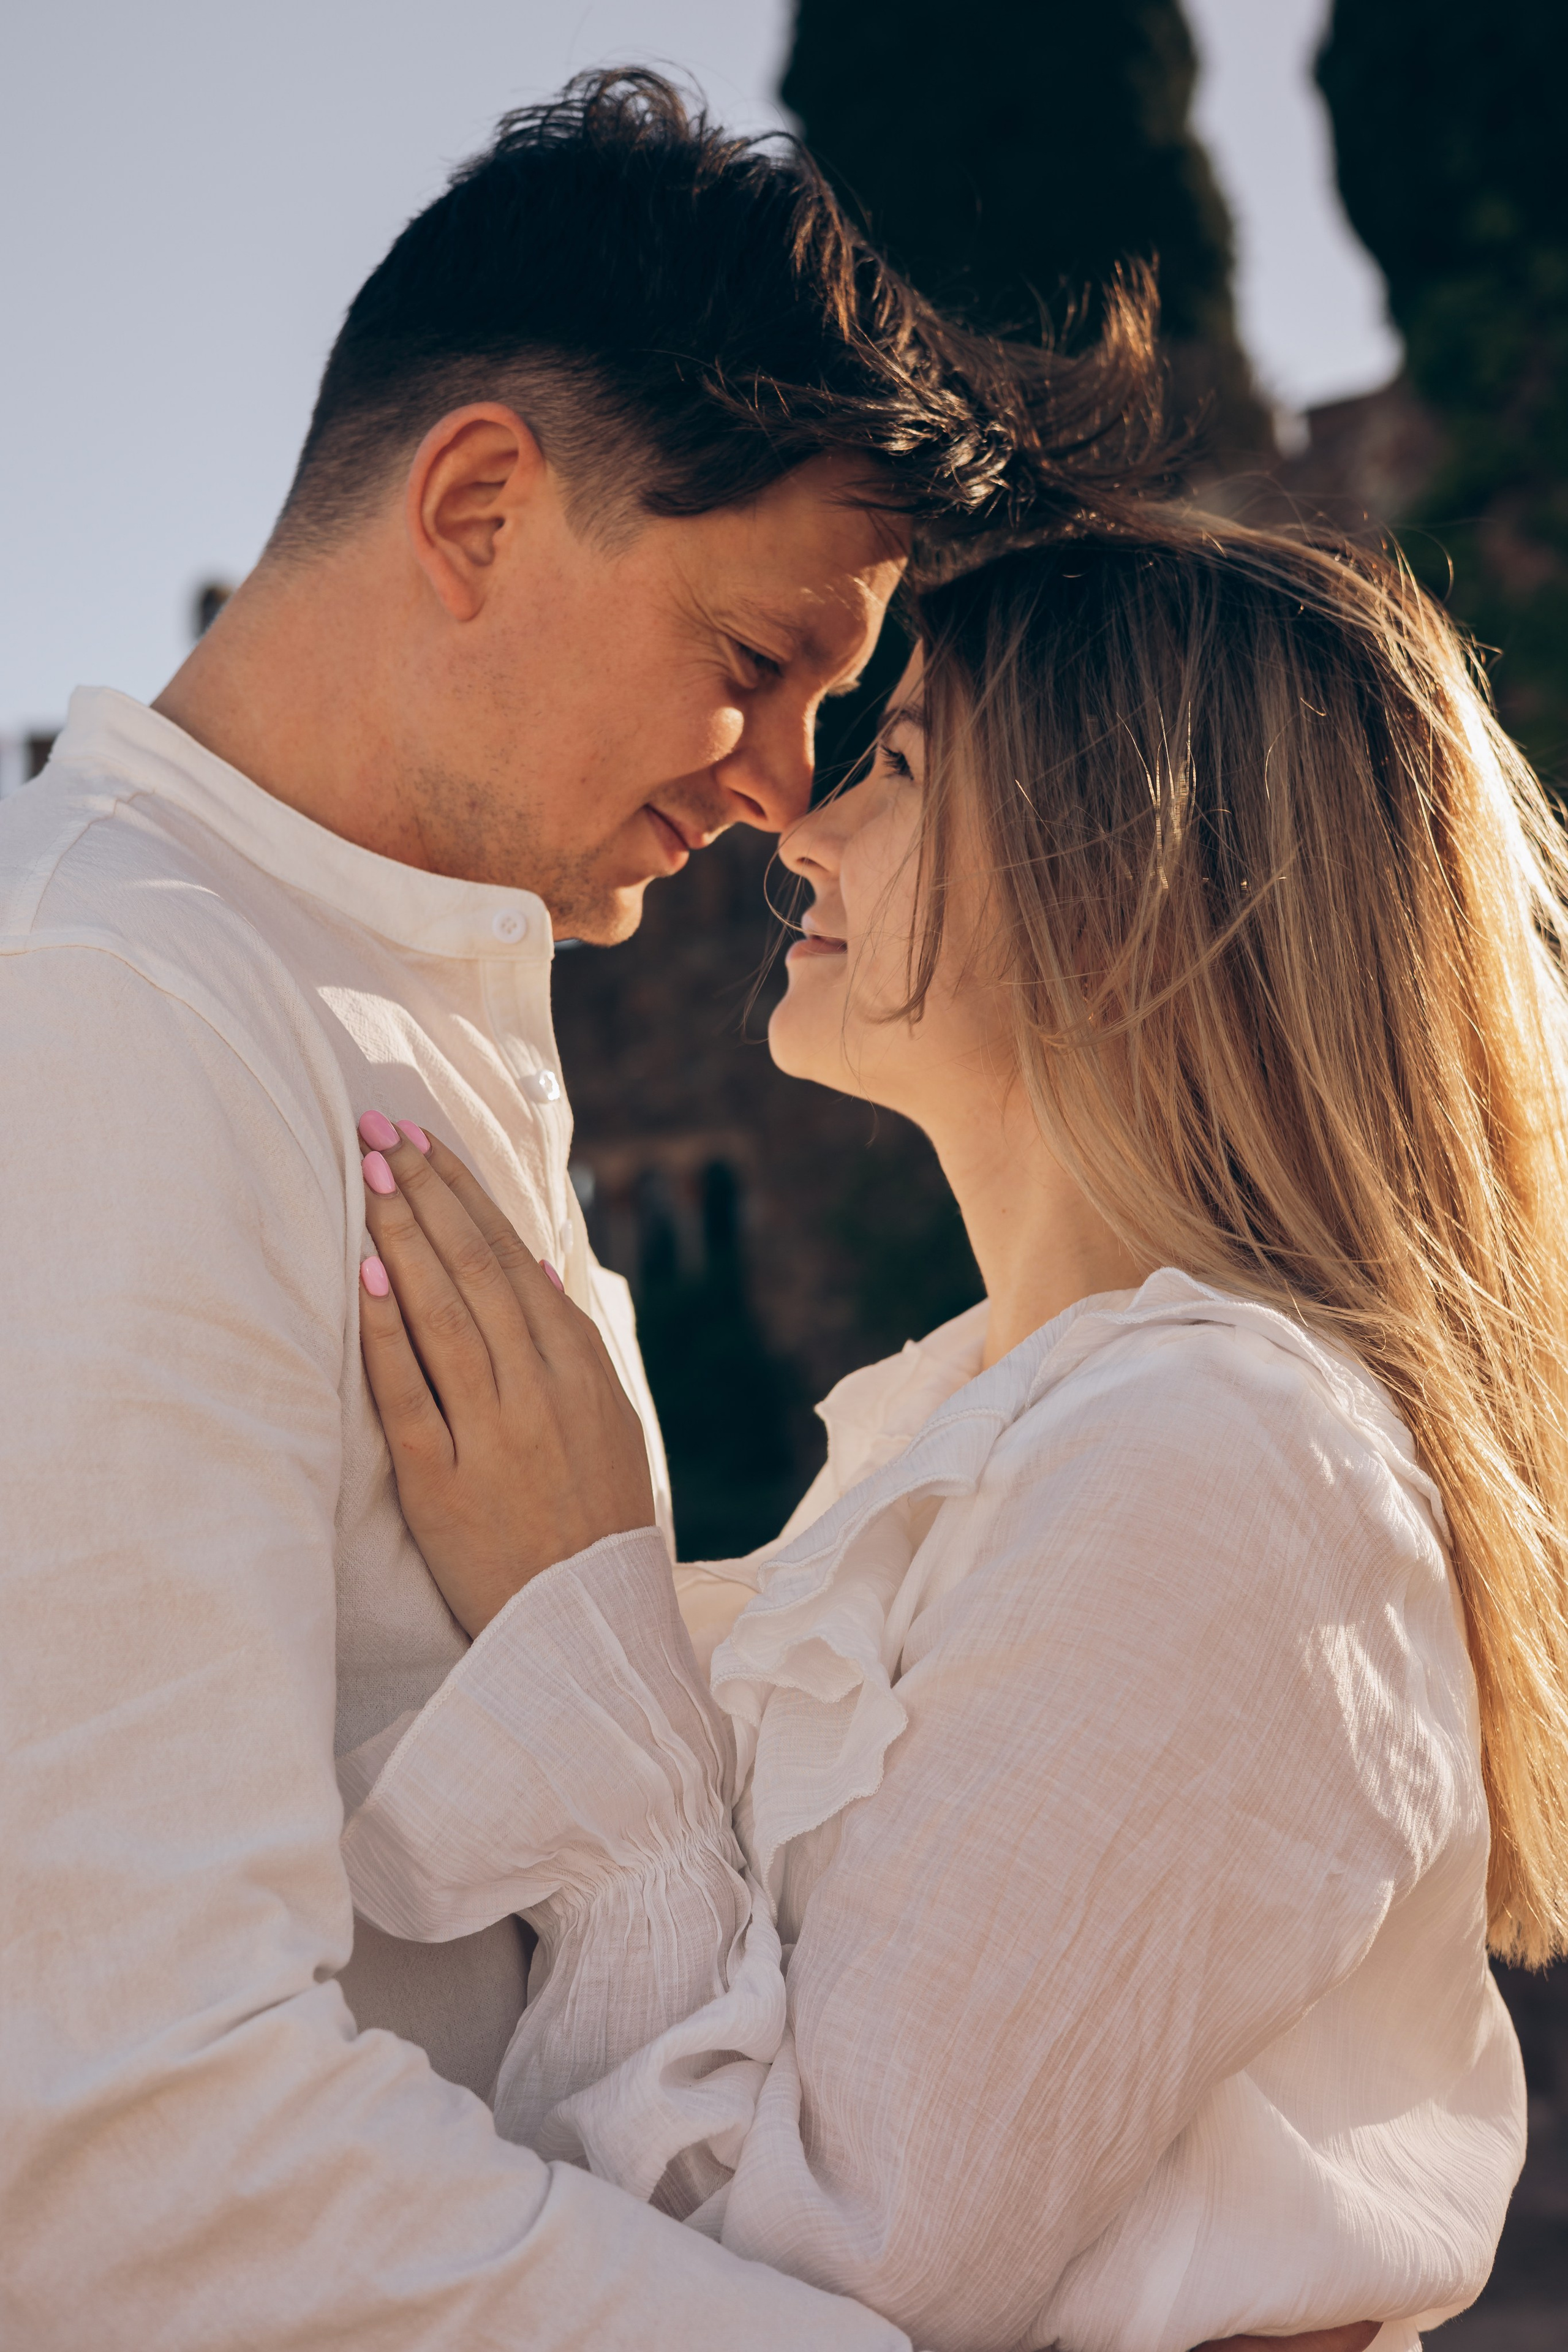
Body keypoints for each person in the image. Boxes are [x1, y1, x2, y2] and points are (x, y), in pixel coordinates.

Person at [0, 70, 1169, 2350]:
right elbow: (127, 2151)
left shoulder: (410, 985)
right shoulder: (113, 1015)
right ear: (473, 508)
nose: (773, 794)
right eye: (752, 670)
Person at [342, 507, 1568, 2351]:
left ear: (1129, 870)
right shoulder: (1010, 1415)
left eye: (898, 765)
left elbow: (808, 2283)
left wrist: (572, 1616)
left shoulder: (1222, 1457)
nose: (797, 819)